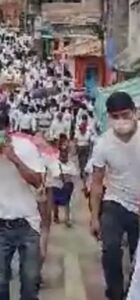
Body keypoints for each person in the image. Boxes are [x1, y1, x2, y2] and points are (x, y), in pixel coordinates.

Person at [0, 112, 45, 300]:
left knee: (30, 281)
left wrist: (14, 159)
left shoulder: (26, 147)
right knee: (0, 282)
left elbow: (37, 181)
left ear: (7, 128)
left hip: (27, 222)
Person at [90, 92, 140, 300]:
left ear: (135, 113)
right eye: (116, 117)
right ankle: (115, 293)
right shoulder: (103, 144)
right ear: (109, 118)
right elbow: (96, 182)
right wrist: (94, 217)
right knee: (110, 250)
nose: (121, 121)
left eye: (125, 115)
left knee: (137, 259)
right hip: (115, 202)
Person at [51, 135, 77, 227]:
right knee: (55, 202)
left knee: (67, 202)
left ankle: (67, 219)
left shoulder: (71, 164)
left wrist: (66, 176)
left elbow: (74, 173)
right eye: (62, 155)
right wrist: (64, 175)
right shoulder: (55, 163)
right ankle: (56, 216)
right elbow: (55, 174)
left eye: (65, 155)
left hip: (67, 186)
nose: (64, 157)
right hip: (56, 185)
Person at [75, 114, 92, 179]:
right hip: (80, 147)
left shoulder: (88, 132)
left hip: (86, 147)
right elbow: (75, 141)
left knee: (85, 160)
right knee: (81, 160)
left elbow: (89, 141)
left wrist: (90, 148)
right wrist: (76, 148)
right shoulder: (78, 132)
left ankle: (84, 171)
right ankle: (82, 171)